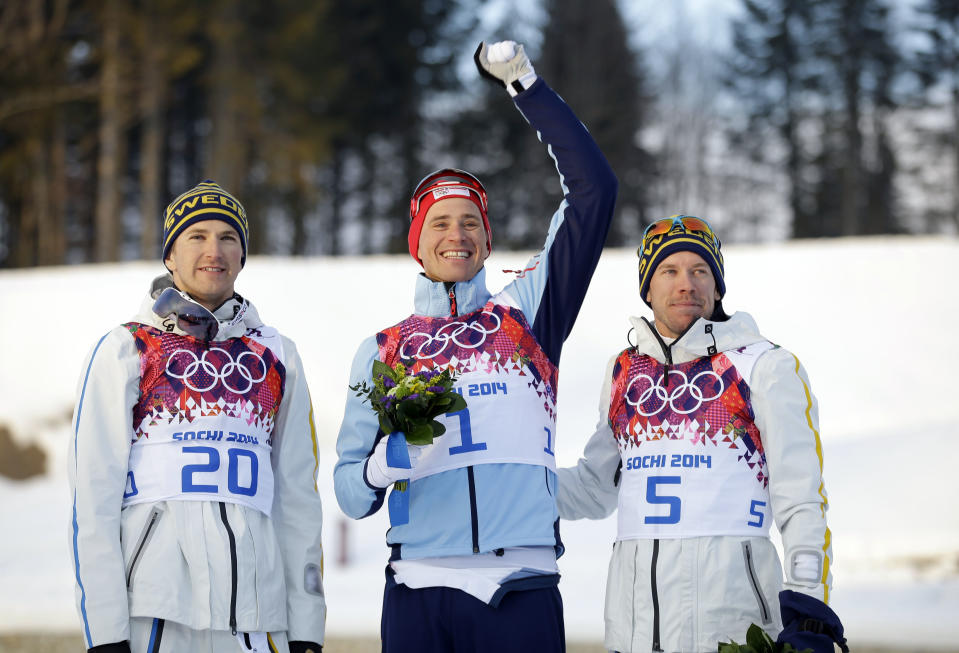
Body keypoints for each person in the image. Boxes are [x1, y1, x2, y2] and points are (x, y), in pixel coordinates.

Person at [333, 40, 617, 652]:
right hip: (417, 593)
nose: (456, 235)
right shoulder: (383, 351)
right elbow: (350, 496)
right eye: (440, 222)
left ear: (488, 242)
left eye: (470, 223)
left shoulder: (529, 314)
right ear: (417, 242)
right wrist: (382, 465)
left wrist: (527, 85)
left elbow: (595, 191)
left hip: (520, 585)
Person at [557, 215, 848, 653]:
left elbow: (801, 499)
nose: (686, 284)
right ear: (648, 289)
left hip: (732, 626)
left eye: (700, 271)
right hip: (633, 629)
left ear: (717, 287)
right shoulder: (623, 373)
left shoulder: (764, 366)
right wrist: (509, 481)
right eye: (669, 271)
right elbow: (595, 488)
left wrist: (809, 606)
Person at [68, 180, 326, 653]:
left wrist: (307, 625)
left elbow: (298, 499)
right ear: (170, 255)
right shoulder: (127, 347)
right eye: (197, 236)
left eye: (229, 237)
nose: (215, 250)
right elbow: (93, 500)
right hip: (156, 613)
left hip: (257, 613)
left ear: (243, 255)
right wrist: (106, 634)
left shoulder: (276, 353)